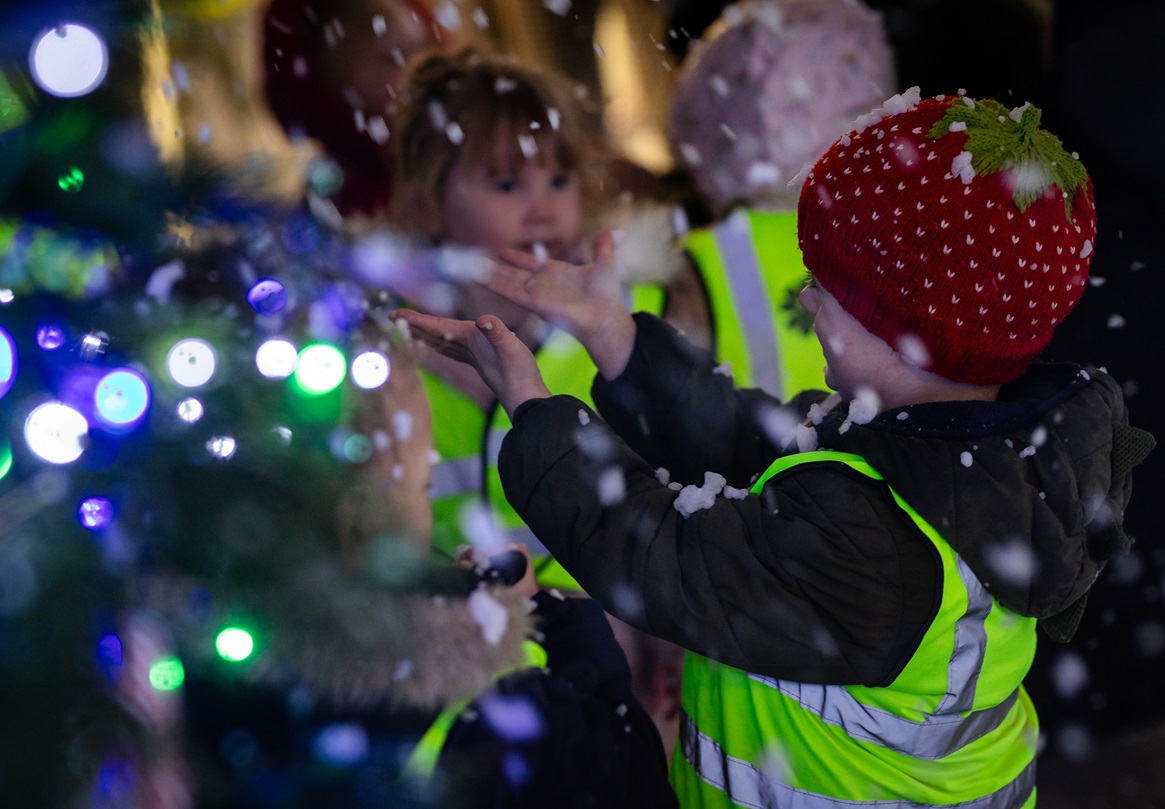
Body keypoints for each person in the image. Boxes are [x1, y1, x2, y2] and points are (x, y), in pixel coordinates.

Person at [393, 87, 1156, 807]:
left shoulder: (881, 541)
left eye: (830, 285)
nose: (806, 298)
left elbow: (664, 558)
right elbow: (751, 442)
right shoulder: (958, 454)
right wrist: (615, 339)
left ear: (911, 335)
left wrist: (534, 410)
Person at [666, 0, 896, 398]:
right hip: (885, 454)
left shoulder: (691, 263)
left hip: (761, 458)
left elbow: (677, 405)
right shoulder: (902, 232)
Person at [261, 0, 449, 220]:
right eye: (393, 56)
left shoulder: (452, 156)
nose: (420, 68)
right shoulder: (338, 197)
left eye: (424, 47)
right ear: (338, 81)